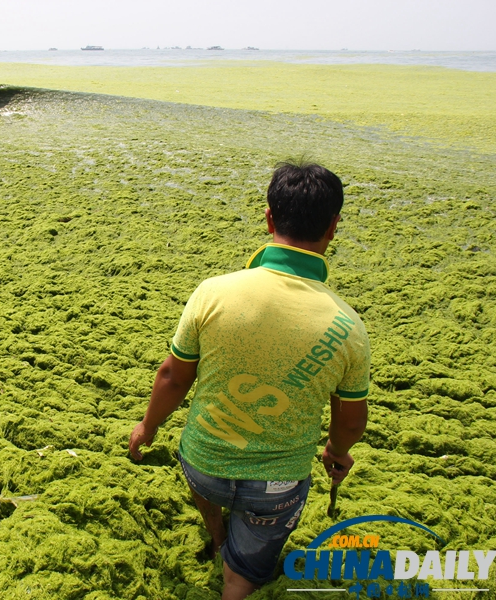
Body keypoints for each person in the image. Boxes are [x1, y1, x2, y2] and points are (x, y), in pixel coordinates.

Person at [129, 161, 370, 600]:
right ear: (333, 227)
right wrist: (337, 451)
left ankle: (216, 530)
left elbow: (172, 376)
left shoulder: (214, 291)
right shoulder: (348, 327)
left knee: (203, 476)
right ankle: (234, 567)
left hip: (203, 466)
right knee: (242, 576)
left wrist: (148, 428)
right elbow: (351, 423)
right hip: (275, 489)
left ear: (269, 217)